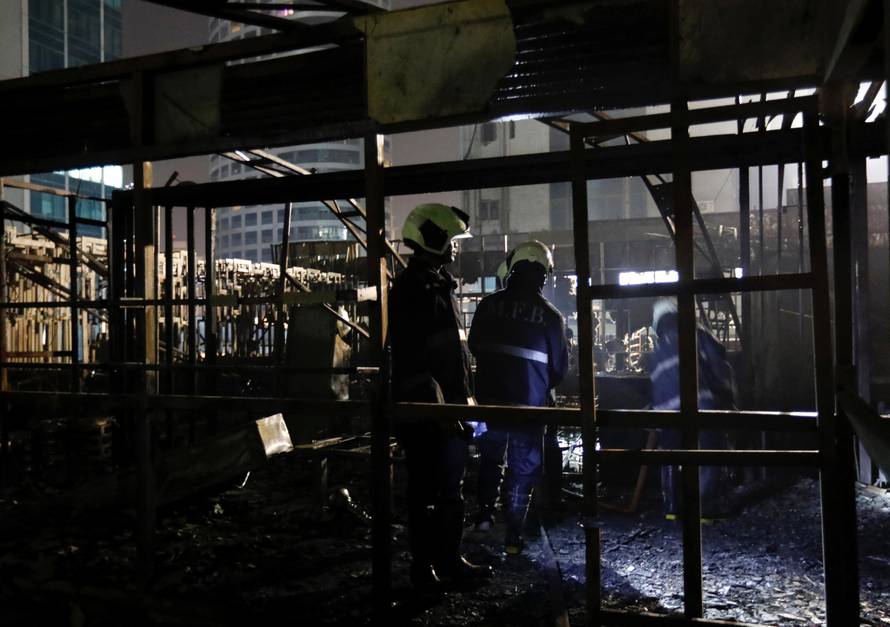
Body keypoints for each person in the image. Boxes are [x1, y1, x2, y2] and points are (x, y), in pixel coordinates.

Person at [388, 203, 492, 591]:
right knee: (426, 492)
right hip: (427, 412)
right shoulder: (413, 288)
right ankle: (424, 569)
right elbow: (416, 359)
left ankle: (448, 560)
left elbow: (452, 355)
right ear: (432, 238)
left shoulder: (437, 284)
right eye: (451, 240)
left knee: (450, 489)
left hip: (447, 409)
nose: (455, 248)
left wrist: (465, 401)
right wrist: (440, 410)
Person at [468, 240, 569, 554]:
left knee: (490, 460)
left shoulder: (487, 306)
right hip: (529, 408)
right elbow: (560, 370)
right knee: (522, 470)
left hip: (490, 404)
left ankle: (483, 519)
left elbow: (473, 346)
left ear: (512, 268)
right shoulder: (552, 318)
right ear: (543, 274)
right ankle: (513, 537)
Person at [650, 297, 735, 520]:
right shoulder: (696, 333)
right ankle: (704, 507)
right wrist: (727, 396)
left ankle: (672, 507)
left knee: (670, 454)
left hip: (665, 410)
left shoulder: (657, 349)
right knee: (709, 450)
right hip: (698, 402)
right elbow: (718, 363)